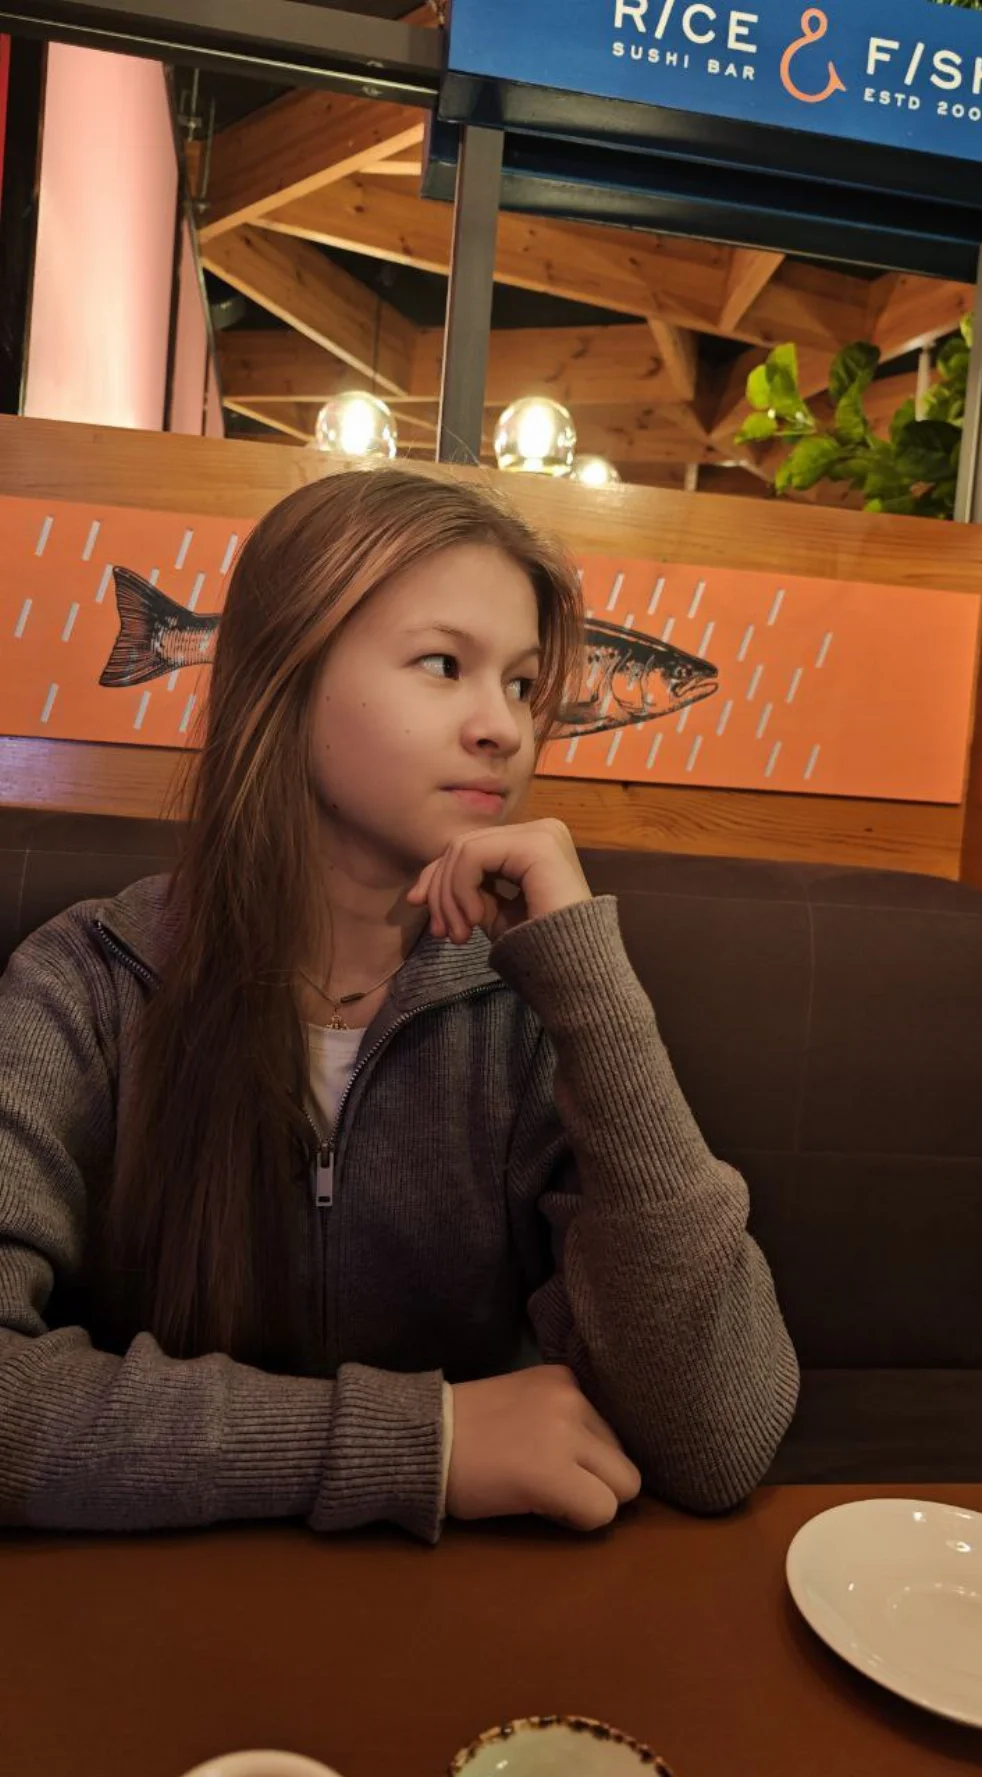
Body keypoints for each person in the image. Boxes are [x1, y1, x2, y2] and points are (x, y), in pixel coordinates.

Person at [0, 467, 798, 1541]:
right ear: (286, 675)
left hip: (464, 1611)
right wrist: (425, 1440)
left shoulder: (529, 1010)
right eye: (443, 664)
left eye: (523, 683)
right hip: (160, 1600)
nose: (504, 728)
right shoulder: (91, 979)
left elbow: (717, 1439)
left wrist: (591, 990)